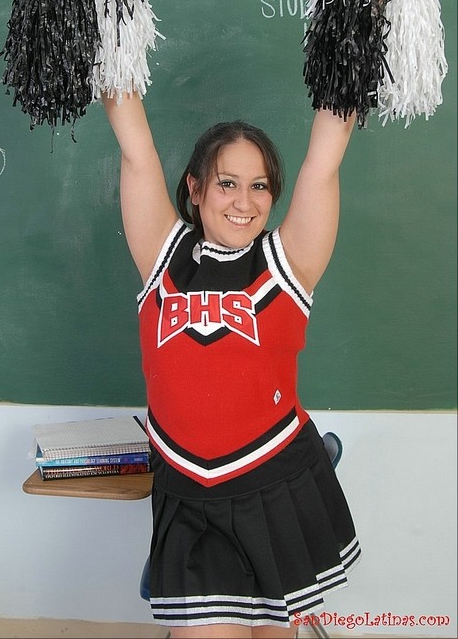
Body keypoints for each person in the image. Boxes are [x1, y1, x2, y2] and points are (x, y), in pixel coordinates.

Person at [102, 90, 360, 639]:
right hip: (191, 496)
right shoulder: (161, 256)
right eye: (226, 182)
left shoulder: (287, 263)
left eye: (259, 185)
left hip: (276, 486)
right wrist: (110, 36)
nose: (244, 201)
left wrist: (351, 41)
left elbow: (323, 161)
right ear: (194, 188)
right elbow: (137, 151)